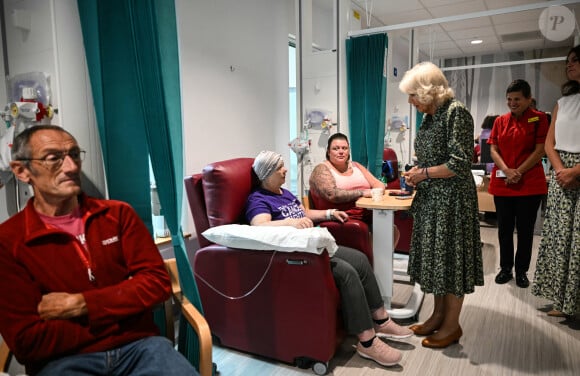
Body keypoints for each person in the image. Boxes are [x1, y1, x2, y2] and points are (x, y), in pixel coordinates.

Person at [0, 125, 199, 376]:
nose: (72, 167)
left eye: (74, 155)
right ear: (21, 170)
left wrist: (81, 304)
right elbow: (27, 341)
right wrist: (123, 313)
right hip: (63, 361)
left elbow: (157, 285)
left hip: (141, 348)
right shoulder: (8, 241)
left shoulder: (118, 215)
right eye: (53, 159)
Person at [246, 150, 413, 367]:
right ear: (267, 174)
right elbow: (260, 226)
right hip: (296, 256)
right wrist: (291, 224)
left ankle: (381, 319)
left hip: (315, 244)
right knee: (346, 272)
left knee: (360, 259)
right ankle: (367, 341)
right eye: (279, 167)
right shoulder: (257, 199)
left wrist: (328, 214)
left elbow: (302, 213)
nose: (285, 169)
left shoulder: (283, 193)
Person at [398, 61, 483, 348]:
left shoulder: (456, 113)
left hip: (453, 202)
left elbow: (460, 163)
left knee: (452, 260)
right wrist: (416, 172)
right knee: (437, 260)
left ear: (426, 91)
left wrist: (423, 173)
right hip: (432, 199)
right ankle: (436, 316)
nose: (410, 101)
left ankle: (451, 325)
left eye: (412, 95)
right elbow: (429, 158)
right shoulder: (430, 117)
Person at [532, 45, 580, 317]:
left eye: (575, 60)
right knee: (560, 239)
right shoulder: (563, 103)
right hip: (562, 173)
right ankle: (563, 301)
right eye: (568, 61)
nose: (569, 65)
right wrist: (562, 170)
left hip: (575, 172)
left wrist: (576, 171)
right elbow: (550, 143)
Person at [487, 79, 549, 288]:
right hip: (504, 182)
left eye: (517, 99)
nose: (513, 103)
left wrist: (519, 171)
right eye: (509, 99)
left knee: (525, 230)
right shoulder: (500, 121)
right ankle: (506, 268)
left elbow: (540, 149)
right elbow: (493, 149)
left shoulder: (539, 119)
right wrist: (506, 170)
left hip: (529, 183)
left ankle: (522, 270)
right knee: (504, 228)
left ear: (528, 99)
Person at [309, 132, 399, 246]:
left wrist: (376, 192)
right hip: (342, 218)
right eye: (336, 148)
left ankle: (375, 263)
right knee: (383, 232)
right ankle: (370, 263)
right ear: (328, 152)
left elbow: (379, 185)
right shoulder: (321, 169)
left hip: (367, 214)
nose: (341, 151)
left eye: (344, 148)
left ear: (348, 151)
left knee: (392, 230)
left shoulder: (356, 166)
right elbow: (332, 194)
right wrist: (362, 193)